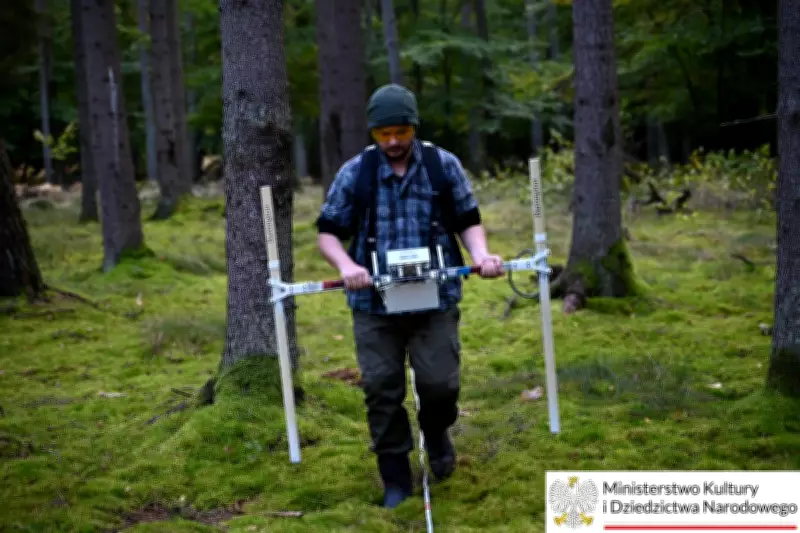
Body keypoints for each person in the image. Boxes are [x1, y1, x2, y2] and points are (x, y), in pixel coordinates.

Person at [314, 83, 504, 508]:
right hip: (373, 306)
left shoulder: (442, 165)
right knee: (381, 388)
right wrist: (347, 268)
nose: (394, 142)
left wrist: (481, 255)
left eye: (401, 131)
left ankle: (436, 431)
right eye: (384, 134)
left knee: (440, 385)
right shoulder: (356, 172)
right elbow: (328, 233)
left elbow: (468, 219)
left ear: (414, 127)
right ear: (373, 133)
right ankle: (395, 478)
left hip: (434, 300)